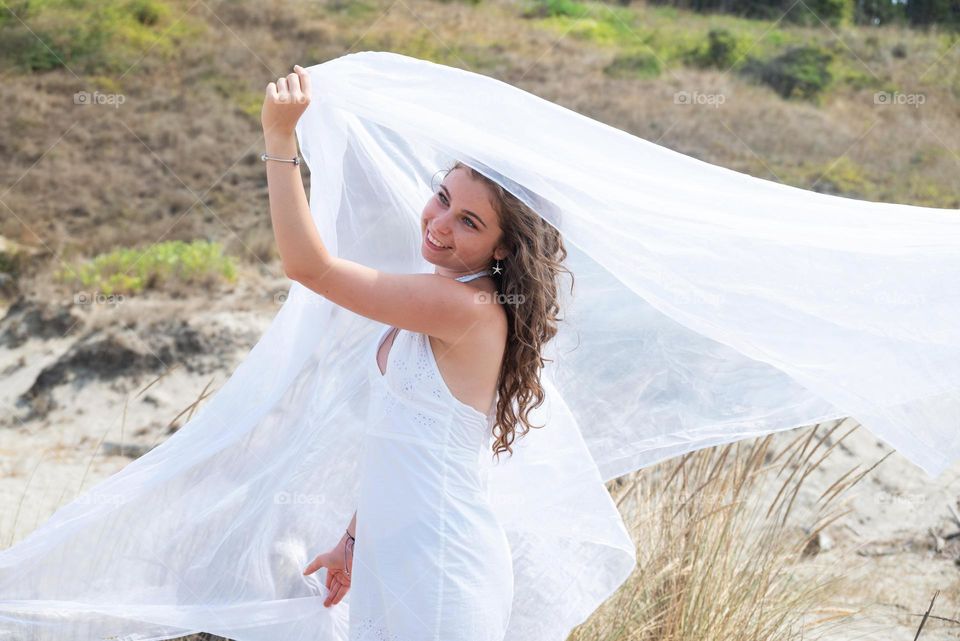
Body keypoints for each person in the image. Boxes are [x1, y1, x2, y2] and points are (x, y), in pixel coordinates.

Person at [261, 65, 570, 640]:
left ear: (503, 246)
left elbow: (308, 267)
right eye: (443, 198)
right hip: (395, 557)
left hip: (444, 569)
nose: (440, 223)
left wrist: (280, 142)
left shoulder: (464, 307)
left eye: (469, 221)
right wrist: (354, 541)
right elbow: (405, 442)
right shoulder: (451, 297)